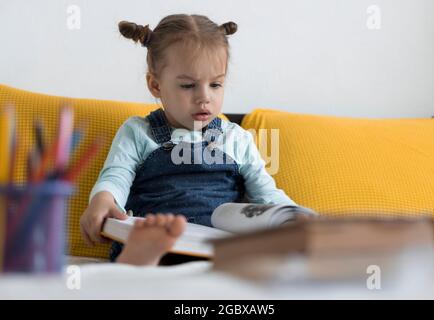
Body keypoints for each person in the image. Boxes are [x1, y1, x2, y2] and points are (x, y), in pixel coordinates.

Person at [80, 14, 315, 266]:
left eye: (215, 84)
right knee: (153, 241)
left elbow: (265, 194)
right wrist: (103, 200)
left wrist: (297, 218)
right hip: (158, 236)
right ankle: (141, 255)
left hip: (217, 247)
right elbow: (116, 175)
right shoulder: (138, 132)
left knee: (257, 259)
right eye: (188, 85)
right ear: (155, 85)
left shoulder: (236, 139)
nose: (204, 97)